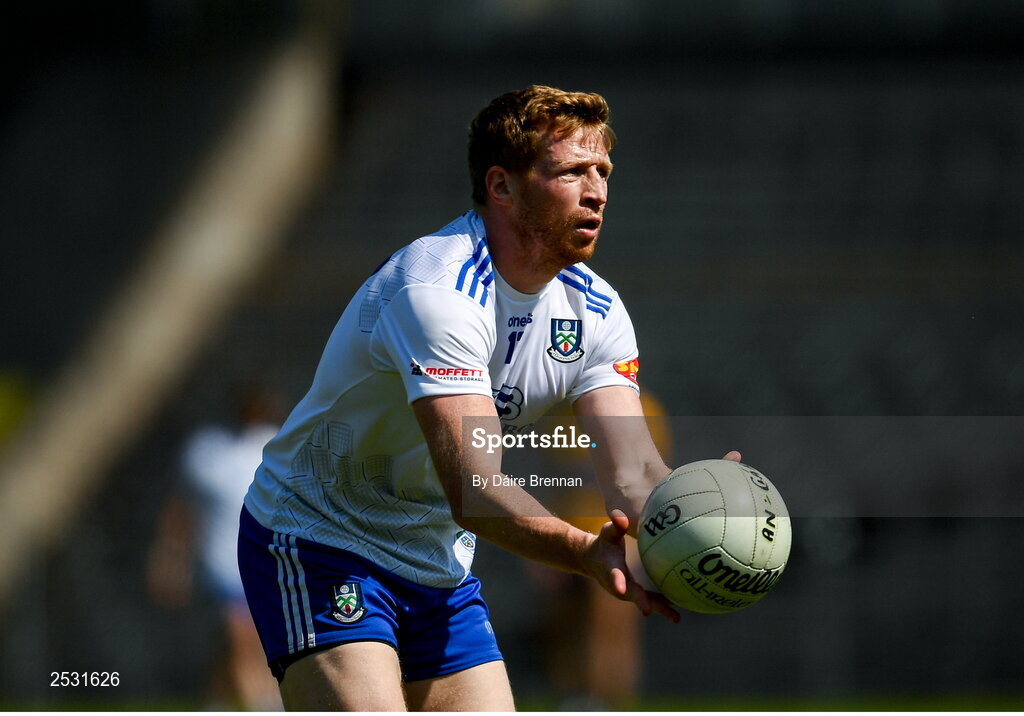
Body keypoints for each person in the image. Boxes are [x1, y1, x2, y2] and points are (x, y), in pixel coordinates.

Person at [238, 84, 741, 711]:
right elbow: (475, 491)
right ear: (501, 186)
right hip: (320, 540)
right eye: (572, 172)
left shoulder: (598, 311)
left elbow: (635, 472)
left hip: (438, 563)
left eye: (603, 172)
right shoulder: (437, 290)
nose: (597, 191)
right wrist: (584, 553)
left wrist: (696, 512)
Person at [147, 385, 283, 710]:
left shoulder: (276, 446)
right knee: (241, 636)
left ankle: (216, 701)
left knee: (242, 640)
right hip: (222, 563)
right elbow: (182, 510)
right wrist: (170, 559)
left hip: (263, 560)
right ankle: (264, 706)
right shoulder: (209, 452)